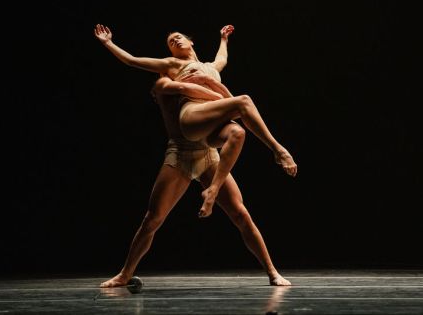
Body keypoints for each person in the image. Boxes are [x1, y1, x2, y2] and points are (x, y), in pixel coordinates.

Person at [99, 72, 291, 287]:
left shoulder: (198, 80)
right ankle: (125, 274)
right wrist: (206, 86)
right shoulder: (164, 83)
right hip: (179, 156)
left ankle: (272, 272)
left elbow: (235, 107)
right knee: (152, 219)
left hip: (208, 154)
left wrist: (211, 82)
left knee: (240, 213)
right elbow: (184, 88)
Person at [93, 24, 297, 217]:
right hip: (194, 114)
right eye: (171, 42)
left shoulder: (211, 67)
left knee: (238, 129)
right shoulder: (173, 64)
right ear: (171, 52)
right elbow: (132, 60)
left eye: (178, 37)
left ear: (191, 42)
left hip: (211, 125)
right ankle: (279, 150)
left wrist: (223, 39)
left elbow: (222, 58)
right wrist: (108, 43)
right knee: (243, 101)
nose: (175, 41)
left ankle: (213, 189)